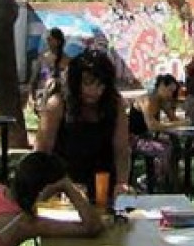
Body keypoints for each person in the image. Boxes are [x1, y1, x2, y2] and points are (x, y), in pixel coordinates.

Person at [35, 49, 131, 199]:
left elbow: (121, 150)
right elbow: (42, 151)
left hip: (104, 184)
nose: (95, 91)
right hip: (63, 186)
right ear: (75, 82)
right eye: (88, 83)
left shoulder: (115, 105)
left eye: (101, 85)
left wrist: (122, 183)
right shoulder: (58, 105)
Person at [132, 73, 183, 190]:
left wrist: (177, 118)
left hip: (148, 138)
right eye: (169, 90)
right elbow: (152, 126)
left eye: (173, 92)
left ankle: (172, 181)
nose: (171, 95)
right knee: (165, 149)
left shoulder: (162, 102)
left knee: (175, 146)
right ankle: (162, 183)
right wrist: (176, 123)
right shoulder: (146, 99)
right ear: (161, 86)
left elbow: (174, 119)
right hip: (134, 139)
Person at [28, 28, 68, 114]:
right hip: (42, 97)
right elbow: (33, 79)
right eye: (48, 39)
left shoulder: (66, 59)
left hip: (58, 98)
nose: (48, 41)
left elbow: (67, 81)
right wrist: (31, 97)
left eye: (50, 39)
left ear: (58, 41)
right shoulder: (42, 58)